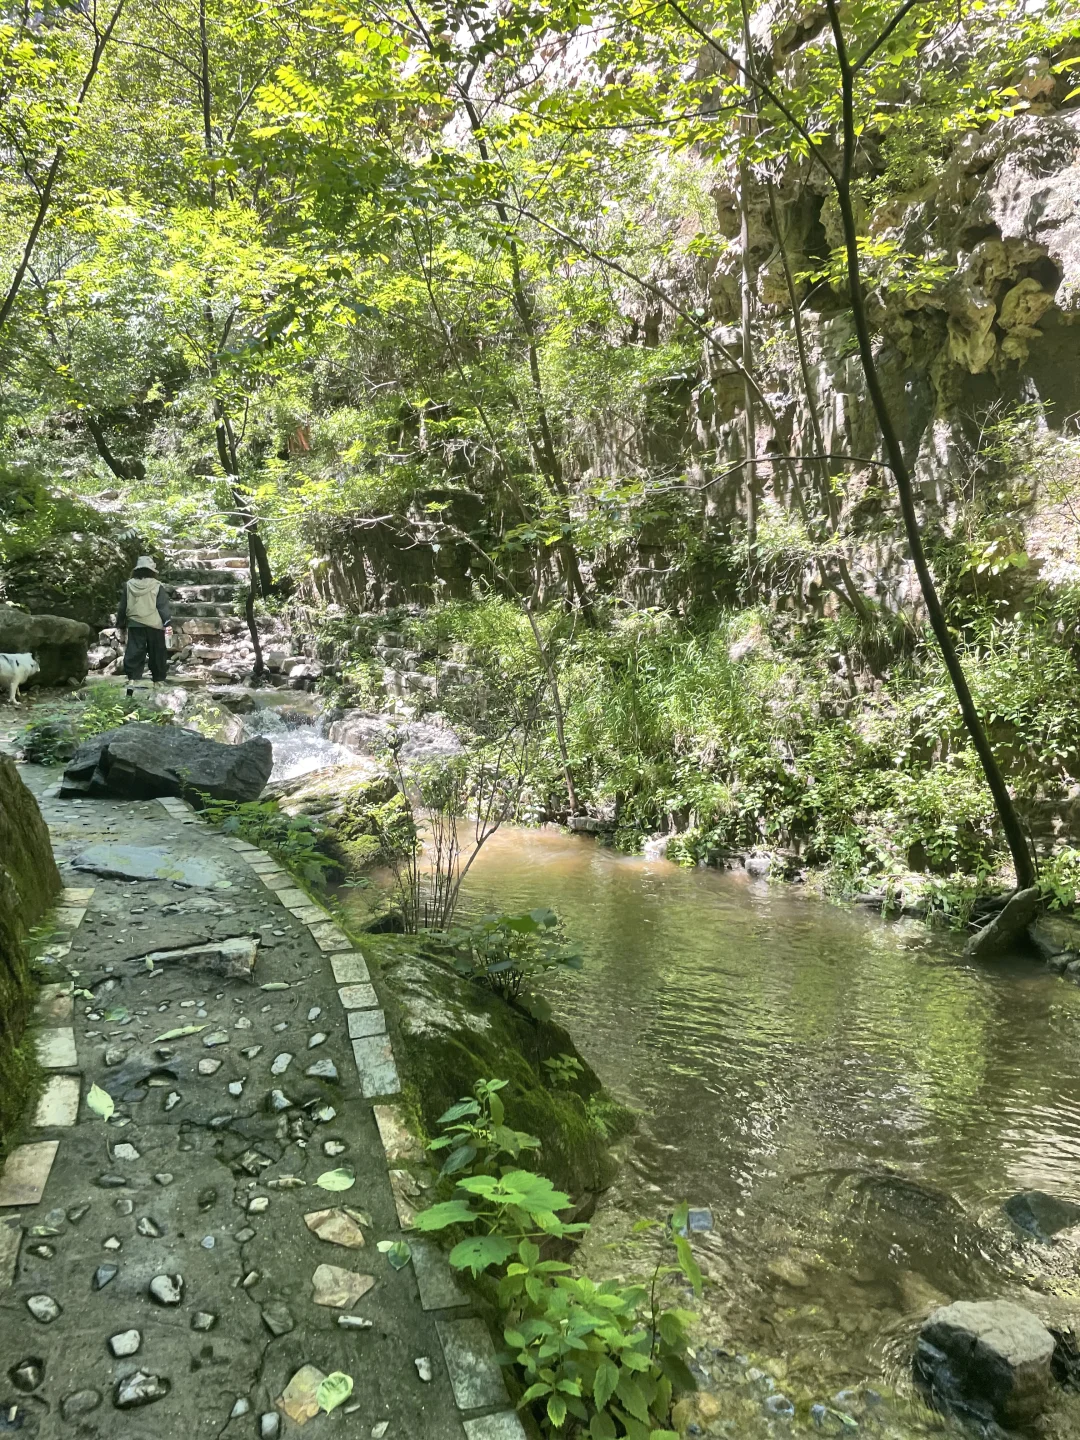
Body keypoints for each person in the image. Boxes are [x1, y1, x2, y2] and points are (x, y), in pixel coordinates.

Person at [118, 556, 173, 695]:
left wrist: (120, 623)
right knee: (157, 653)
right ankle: (158, 682)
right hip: (154, 624)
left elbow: (123, 606)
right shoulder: (157, 586)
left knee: (135, 652)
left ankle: (132, 681)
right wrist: (167, 623)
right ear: (152, 571)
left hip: (135, 624)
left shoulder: (129, 585)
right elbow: (162, 607)